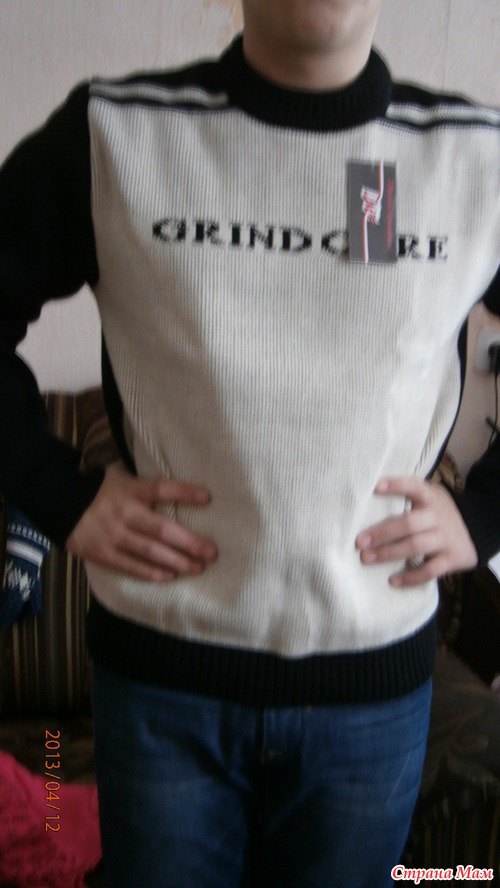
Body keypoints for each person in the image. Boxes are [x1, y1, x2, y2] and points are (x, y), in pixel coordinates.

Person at [0, 0, 499, 884]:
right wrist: (60, 495)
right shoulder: (115, 134)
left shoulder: (476, 159)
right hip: (162, 686)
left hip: (371, 701)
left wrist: (486, 513)